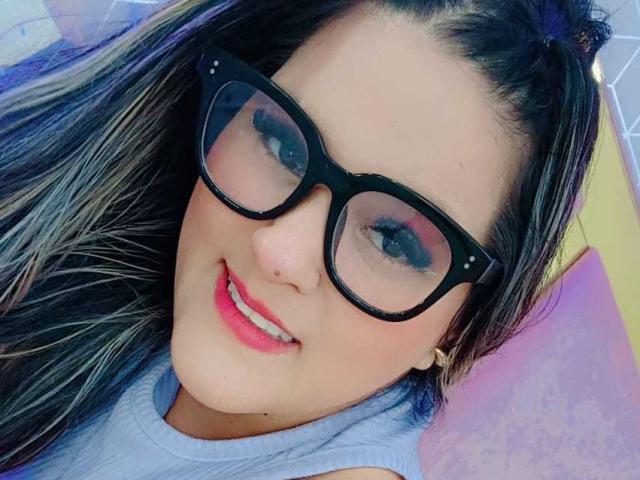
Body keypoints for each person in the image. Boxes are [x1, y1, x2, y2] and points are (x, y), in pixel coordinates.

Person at [0, 0, 613, 478]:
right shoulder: (98, 257)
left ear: (458, 325)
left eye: (393, 240)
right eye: (280, 141)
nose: (279, 252)